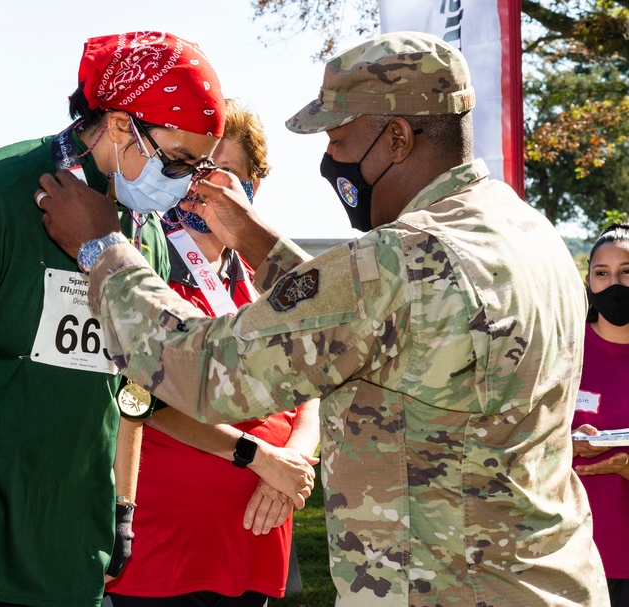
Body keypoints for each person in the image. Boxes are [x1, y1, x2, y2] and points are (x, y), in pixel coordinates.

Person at [37, 31, 609, 606]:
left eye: (338, 138)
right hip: (547, 579)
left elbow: (204, 370)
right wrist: (251, 234)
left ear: (398, 138)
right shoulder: (529, 235)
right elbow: (367, 319)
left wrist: (101, 250)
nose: (330, 160)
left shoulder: (403, 261)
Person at [0, 31, 228, 607]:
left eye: (196, 167)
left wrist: (123, 506)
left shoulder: (142, 232)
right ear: (117, 125)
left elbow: (133, 385)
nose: (182, 181)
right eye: (176, 160)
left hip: (62, 541)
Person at [106, 99, 320, 607]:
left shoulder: (266, 279)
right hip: (163, 554)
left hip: (254, 545)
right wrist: (260, 459)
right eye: (195, 168)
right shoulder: (145, 267)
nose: (203, 184)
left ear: (252, 188)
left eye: (224, 171)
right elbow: (139, 397)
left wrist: (293, 461)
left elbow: (314, 382)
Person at [571, 223, 629, 607]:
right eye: (602, 273)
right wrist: (566, 442)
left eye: (627, 272)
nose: (614, 284)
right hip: (570, 555)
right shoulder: (565, 348)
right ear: (589, 280)